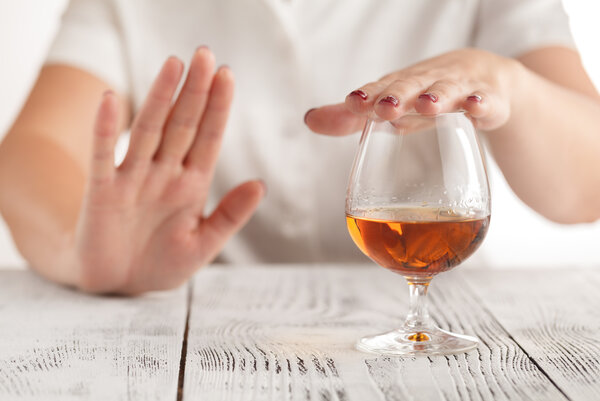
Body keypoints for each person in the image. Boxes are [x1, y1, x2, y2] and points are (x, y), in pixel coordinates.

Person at [0, 0, 598, 294]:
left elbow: (585, 186)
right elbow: (34, 150)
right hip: (213, 336)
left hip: (447, 326)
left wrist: (507, 84)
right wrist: (79, 251)